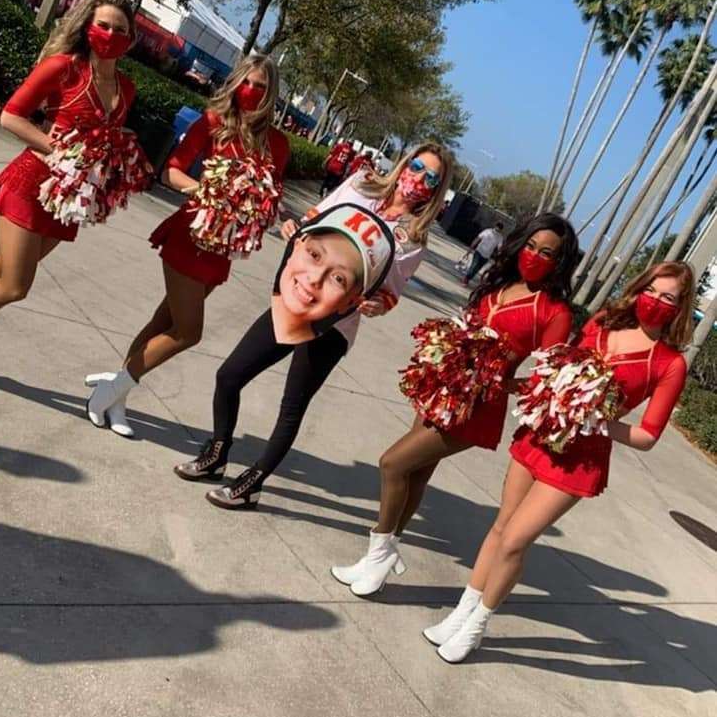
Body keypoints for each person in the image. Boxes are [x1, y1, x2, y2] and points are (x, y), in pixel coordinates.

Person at [426, 260, 693, 663]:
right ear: (639, 289)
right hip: (541, 435)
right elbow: (560, 367)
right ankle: (462, 611)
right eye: (651, 291)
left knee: (516, 540)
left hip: (579, 458)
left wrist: (598, 419)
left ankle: (479, 624)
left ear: (681, 306)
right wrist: (537, 389)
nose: (655, 301)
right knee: (501, 528)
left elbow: (647, 436)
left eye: (668, 298)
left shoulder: (669, 363)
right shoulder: (603, 322)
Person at [173, 143, 454, 509]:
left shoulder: (413, 239)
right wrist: (296, 228)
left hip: (336, 325)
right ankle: (217, 452)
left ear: (436, 190)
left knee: (292, 405)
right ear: (403, 165)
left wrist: (376, 305)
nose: (417, 179)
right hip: (298, 300)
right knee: (230, 375)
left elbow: (391, 292)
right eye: (416, 167)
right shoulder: (361, 185)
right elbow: (316, 219)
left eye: (430, 177)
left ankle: (253, 482)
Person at [330, 212, 580, 596]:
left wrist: (507, 381)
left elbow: (552, 375)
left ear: (560, 261)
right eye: (530, 246)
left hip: (478, 406)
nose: (534, 256)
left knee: (392, 463)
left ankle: (381, 551)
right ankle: (379, 558)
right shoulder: (501, 283)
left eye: (546, 253)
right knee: (416, 473)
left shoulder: (554, 312)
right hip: (443, 385)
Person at [84, 54, 289, 437]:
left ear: (270, 93)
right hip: (191, 235)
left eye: (260, 86)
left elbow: (271, 196)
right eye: (246, 81)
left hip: (222, 249)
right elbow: (173, 169)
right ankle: (110, 390)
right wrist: (208, 192)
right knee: (188, 332)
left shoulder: (276, 144)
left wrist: (259, 213)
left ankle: (116, 397)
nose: (251, 90)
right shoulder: (212, 122)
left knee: (164, 323)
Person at [0, 0, 139, 391]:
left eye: (120, 29)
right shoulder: (63, 67)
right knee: (15, 286)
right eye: (103, 25)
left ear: (130, 38)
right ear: (89, 26)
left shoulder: (126, 88)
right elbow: (11, 116)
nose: (110, 34)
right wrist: (60, 150)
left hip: (67, 199)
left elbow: (107, 136)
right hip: (30, 181)